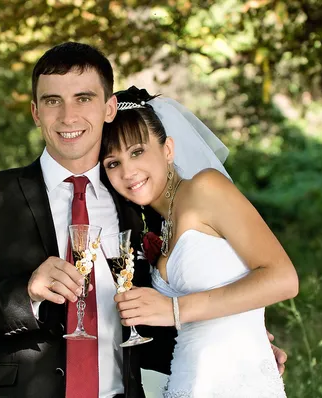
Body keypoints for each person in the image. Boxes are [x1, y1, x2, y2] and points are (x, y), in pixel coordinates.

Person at [0, 42, 287, 398]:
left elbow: (150, 318)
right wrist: (27, 293)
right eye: (53, 101)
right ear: (36, 112)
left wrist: (234, 345)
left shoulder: (137, 201)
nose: (68, 116)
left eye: (83, 98)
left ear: (109, 107)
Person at [100, 87, 299, 397]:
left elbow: (284, 279)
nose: (128, 171)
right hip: (187, 382)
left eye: (137, 151)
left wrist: (174, 309)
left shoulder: (205, 188)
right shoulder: (158, 227)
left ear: (167, 149)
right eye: (113, 163)